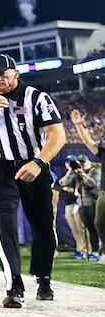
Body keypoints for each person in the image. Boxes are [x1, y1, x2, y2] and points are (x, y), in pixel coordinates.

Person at [0, 53, 67, 308]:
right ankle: (13, 286)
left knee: (43, 225)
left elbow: (58, 135)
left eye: (3, 74)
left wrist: (39, 163)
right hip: (1, 168)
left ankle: (43, 278)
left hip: (34, 165)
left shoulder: (36, 97)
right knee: (5, 224)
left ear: (16, 74)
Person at [68, 109, 104, 260]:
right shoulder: (103, 151)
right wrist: (78, 126)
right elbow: (89, 143)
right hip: (101, 193)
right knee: (97, 223)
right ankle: (101, 251)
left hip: (95, 196)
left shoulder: (94, 171)